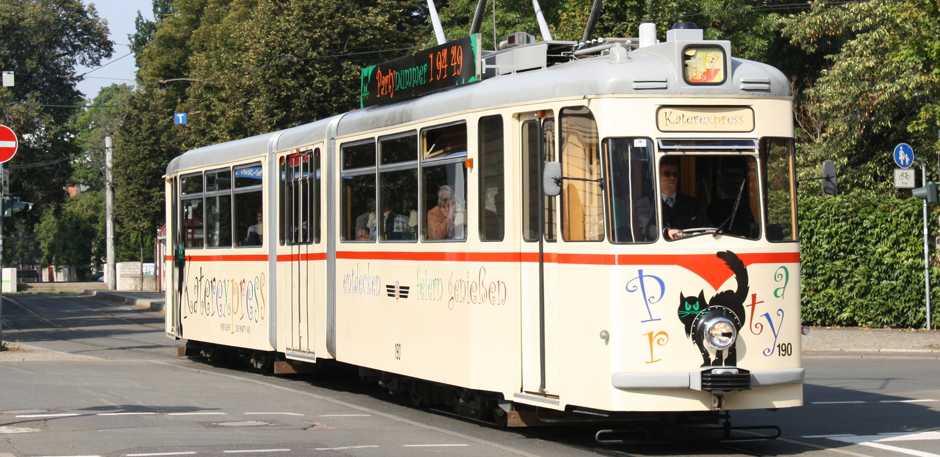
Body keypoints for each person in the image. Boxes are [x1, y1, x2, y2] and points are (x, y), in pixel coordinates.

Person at [660, 158, 709, 240]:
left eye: (675, 174)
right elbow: (647, 228)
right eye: (667, 174)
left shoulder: (693, 203)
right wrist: (666, 232)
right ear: (658, 176)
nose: (672, 178)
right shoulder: (650, 203)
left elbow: (706, 226)